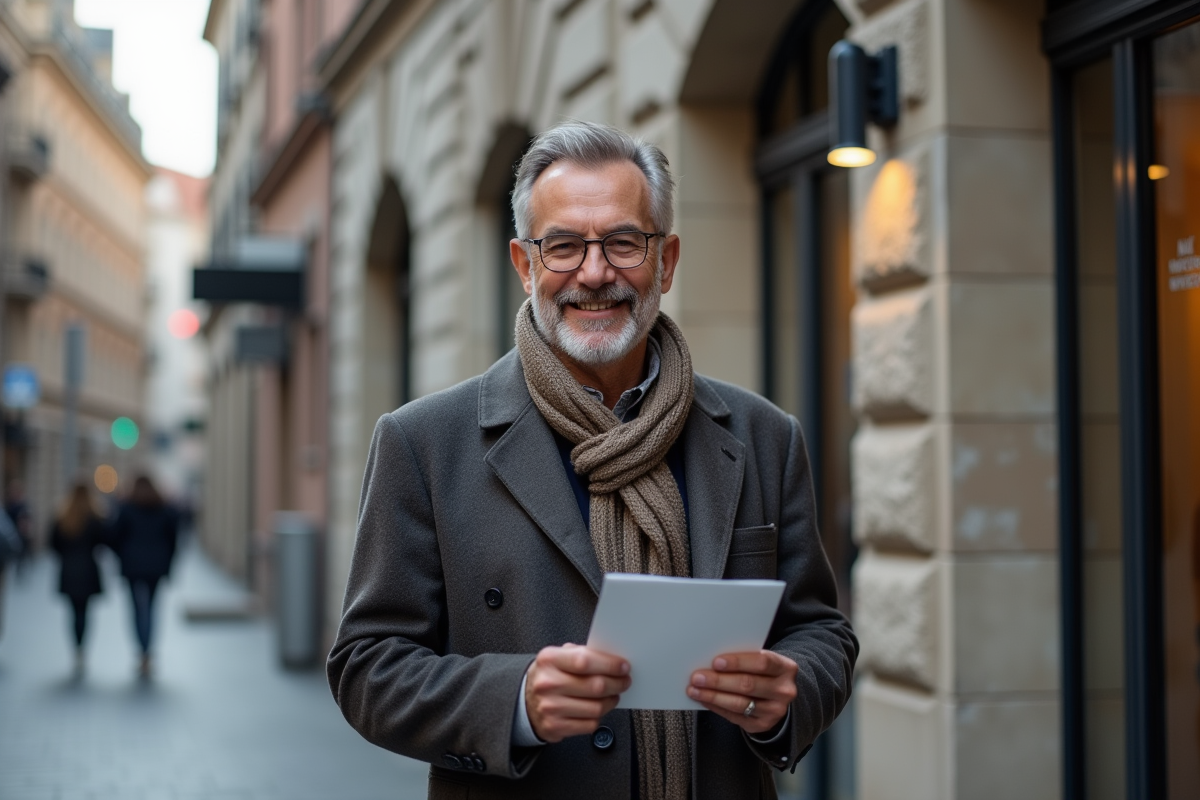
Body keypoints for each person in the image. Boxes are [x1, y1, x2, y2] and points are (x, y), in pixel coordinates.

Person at [327, 121, 857, 799]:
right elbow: (366, 668)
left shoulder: (763, 437)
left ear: (665, 261)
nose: (596, 272)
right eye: (565, 246)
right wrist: (513, 700)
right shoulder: (424, 442)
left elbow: (821, 633)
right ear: (525, 266)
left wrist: (791, 690)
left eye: (623, 242)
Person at [111, 475, 178, 677]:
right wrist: (168, 562)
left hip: (132, 565)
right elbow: (173, 539)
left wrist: (123, 555)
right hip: (156, 566)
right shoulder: (164, 508)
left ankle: (142, 651)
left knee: (136, 608)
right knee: (151, 608)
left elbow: (114, 536)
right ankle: (148, 652)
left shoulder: (127, 508)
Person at [49, 483, 109, 676]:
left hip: (69, 569)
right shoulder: (95, 516)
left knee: (73, 612)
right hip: (88, 569)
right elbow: (103, 541)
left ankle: (76, 648)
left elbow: (53, 543)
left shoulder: (63, 516)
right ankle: (81, 649)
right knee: (85, 612)